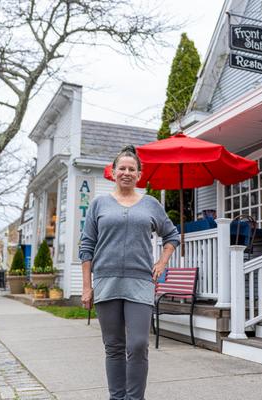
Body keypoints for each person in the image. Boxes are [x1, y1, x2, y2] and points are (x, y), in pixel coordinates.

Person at [79, 145, 179, 400]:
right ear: (112, 172)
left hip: (139, 283)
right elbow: (87, 245)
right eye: (121, 168)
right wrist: (87, 286)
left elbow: (172, 236)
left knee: (138, 344)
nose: (126, 172)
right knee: (113, 347)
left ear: (139, 175)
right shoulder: (98, 204)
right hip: (106, 282)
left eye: (131, 169)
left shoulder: (151, 204)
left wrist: (162, 262)